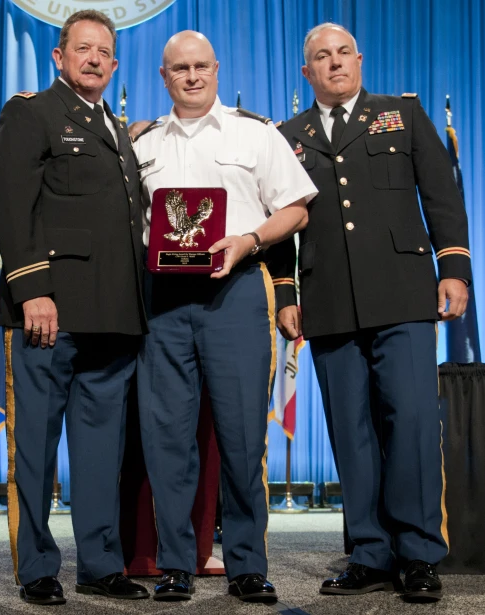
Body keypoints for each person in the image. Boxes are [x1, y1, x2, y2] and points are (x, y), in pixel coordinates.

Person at [273, 22, 472, 603]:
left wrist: (454, 267)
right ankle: (368, 553)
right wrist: (286, 293)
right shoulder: (290, 136)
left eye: (342, 54)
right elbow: (282, 221)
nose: (334, 65)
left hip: (404, 296)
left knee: (409, 425)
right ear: (305, 72)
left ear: (359, 60)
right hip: (329, 301)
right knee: (351, 433)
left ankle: (417, 555)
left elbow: (442, 195)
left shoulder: (401, 116)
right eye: (320, 58)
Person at [133, 31, 317, 603]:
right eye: (179, 69)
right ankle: (176, 565)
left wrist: (248, 239)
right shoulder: (139, 145)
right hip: (161, 300)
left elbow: (296, 209)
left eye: (201, 66)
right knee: (167, 439)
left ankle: (246, 565)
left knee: (241, 438)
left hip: (235, 293)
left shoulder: (255, 134)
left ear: (216, 69)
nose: (191, 76)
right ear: (163, 77)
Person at [0, 10, 148, 605]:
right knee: (35, 445)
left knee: (100, 450)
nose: (92, 59)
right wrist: (32, 289)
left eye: (102, 51)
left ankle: (101, 565)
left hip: (112, 316)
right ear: (59, 57)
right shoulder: (30, 113)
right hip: (49, 313)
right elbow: (13, 204)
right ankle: (36, 568)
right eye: (81, 49)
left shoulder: (115, 126)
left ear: (113, 63)